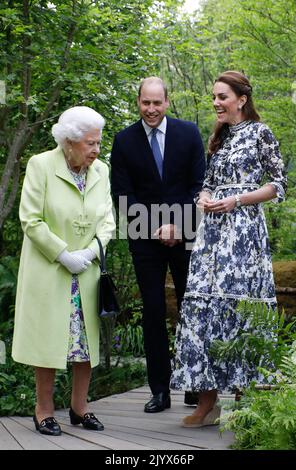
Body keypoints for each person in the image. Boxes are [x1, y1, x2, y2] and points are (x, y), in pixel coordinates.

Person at [170, 70, 287, 427]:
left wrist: (237, 200)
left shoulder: (260, 133)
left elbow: (278, 185)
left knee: (241, 308)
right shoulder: (218, 138)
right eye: (214, 97)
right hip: (212, 235)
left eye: (222, 97)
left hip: (245, 234)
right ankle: (207, 403)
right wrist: (205, 197)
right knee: (205, 306)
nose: (216, 103)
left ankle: (244, 401)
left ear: (241, 99)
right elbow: (206, 183)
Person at [12, 106, 116, 436]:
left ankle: (79, 408)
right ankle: (43, 411)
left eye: (98, 142)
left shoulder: (101, 170)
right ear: (69, 142)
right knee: (49, 342)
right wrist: (63, 254)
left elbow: (109, 221)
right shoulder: (41, 165)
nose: (96, 149)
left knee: (85, 344)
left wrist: (91, 251)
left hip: (86, 271)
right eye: (90, 143)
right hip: (51, 271)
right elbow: (31, 219)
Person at [111, 77, 206, 413]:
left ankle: (195, 385)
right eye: (145, 103)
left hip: (187, 235)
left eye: (157, 103)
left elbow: (200, 185)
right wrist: (156, 228)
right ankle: (160, 391)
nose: (151, 110)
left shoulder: (189, 133)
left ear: (167, 102)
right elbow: (123, 195)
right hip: (145, 239)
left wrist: (179, 226)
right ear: (138, 102)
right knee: (152, 312)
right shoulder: (123, 141)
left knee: (191, 309)